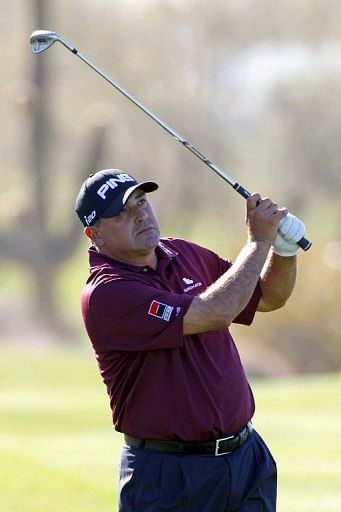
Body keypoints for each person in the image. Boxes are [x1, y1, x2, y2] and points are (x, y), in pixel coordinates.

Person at [75, 168, 304, 512]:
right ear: (95, 235)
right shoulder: (107, 294)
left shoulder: (183, 253)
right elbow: (217, 312)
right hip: (169, 476)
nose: (140, 214)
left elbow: (267, 296)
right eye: (122, 212)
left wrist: (283, 252)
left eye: (141, 201)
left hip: (245, 460)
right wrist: (259, 242)